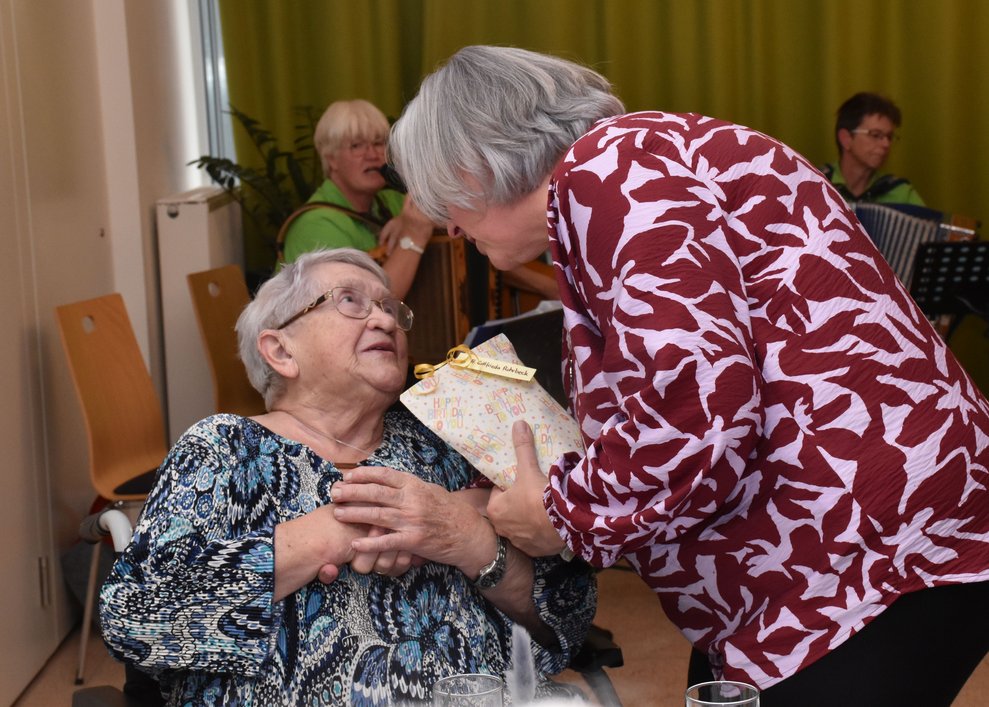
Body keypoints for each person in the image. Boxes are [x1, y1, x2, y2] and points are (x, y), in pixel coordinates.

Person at [362, 45, 989, 706]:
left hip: (866, 556)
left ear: (475, 161)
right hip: (861, 545)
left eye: (446, 200)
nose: (453, 228)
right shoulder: (643, 158)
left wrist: (563, 514)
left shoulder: (611, 173)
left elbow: (701, 419)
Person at [98, 248, 596, 705]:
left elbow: (568, 618)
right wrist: (336, 532)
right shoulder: (225, 450)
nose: (384, 319)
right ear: (281, 352)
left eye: (389, 308)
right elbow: (137, 617)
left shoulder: (449, 441)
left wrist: (469, 539)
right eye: (350, 302)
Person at [280, 99, 435, 299]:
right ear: (331, 159)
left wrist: (406, 221)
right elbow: (361, 306)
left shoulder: (392, 201)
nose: (372, 154)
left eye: (378, 143)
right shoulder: (315, 225)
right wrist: (413, 236)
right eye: (356, 146)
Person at [821, 92, 925, 206]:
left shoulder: (901, 193)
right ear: (846, 139)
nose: (886, 144)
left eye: (889, 137)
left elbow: (929, 223)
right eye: (875, 135)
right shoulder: (816, 184)